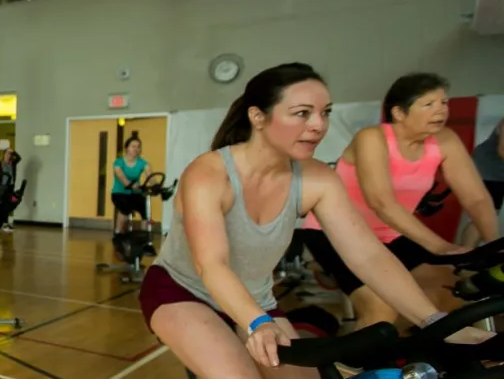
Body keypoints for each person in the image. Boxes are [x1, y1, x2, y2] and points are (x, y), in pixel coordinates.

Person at [140, 63, 492, 378]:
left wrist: (436, 322)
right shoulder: (209, 172)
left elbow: (368, 256)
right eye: (302, 113)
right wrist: (258, 323)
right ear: (258, 117)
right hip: (184, 292)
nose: (319, 125)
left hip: (256, 298)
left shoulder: (317, 179)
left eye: (325, 112)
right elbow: (211, 265)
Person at [297, 73, 500, 330]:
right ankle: (353, 366)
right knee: (382, 308)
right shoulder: (372, 138)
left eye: (444, 103)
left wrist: (493, 246)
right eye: (428, 104)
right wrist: (438, 246)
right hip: (335, 233)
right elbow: (381, 202)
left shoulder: (445, 140)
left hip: (390, 236)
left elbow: (477, 197)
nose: (440, 110)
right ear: (399, 113)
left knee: (447, 291)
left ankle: (409, 355)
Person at [460, 117, 504, 247]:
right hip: (488, 170)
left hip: (498, 173)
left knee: (489, 216)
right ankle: (465, 256)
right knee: (485, 215)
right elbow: (503, 151)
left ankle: (474, 255)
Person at [111, 137, 153, 234]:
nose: (136, 149)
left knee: (145, 209)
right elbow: (121, 176)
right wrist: (130, 184)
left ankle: (144, 235)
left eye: (138, 147)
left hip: (135, 193)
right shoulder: (119, 162)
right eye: (133, 146)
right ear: (127, 148)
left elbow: (150, 177)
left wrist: (156, 186)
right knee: (125, 208)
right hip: (119, 193)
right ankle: (117, 232)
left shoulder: (143, 163)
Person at [0, 147, 24, 236]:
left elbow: (19, 158)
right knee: (3, 204)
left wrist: (13, 152)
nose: (9, 155)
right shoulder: (0, 164)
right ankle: (4, 223)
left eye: (10, 154)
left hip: (10, 186)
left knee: (8, 204)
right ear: (4, 154)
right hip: (2, 186)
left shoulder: (12, 163)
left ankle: (6, 223)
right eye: (7, 153)